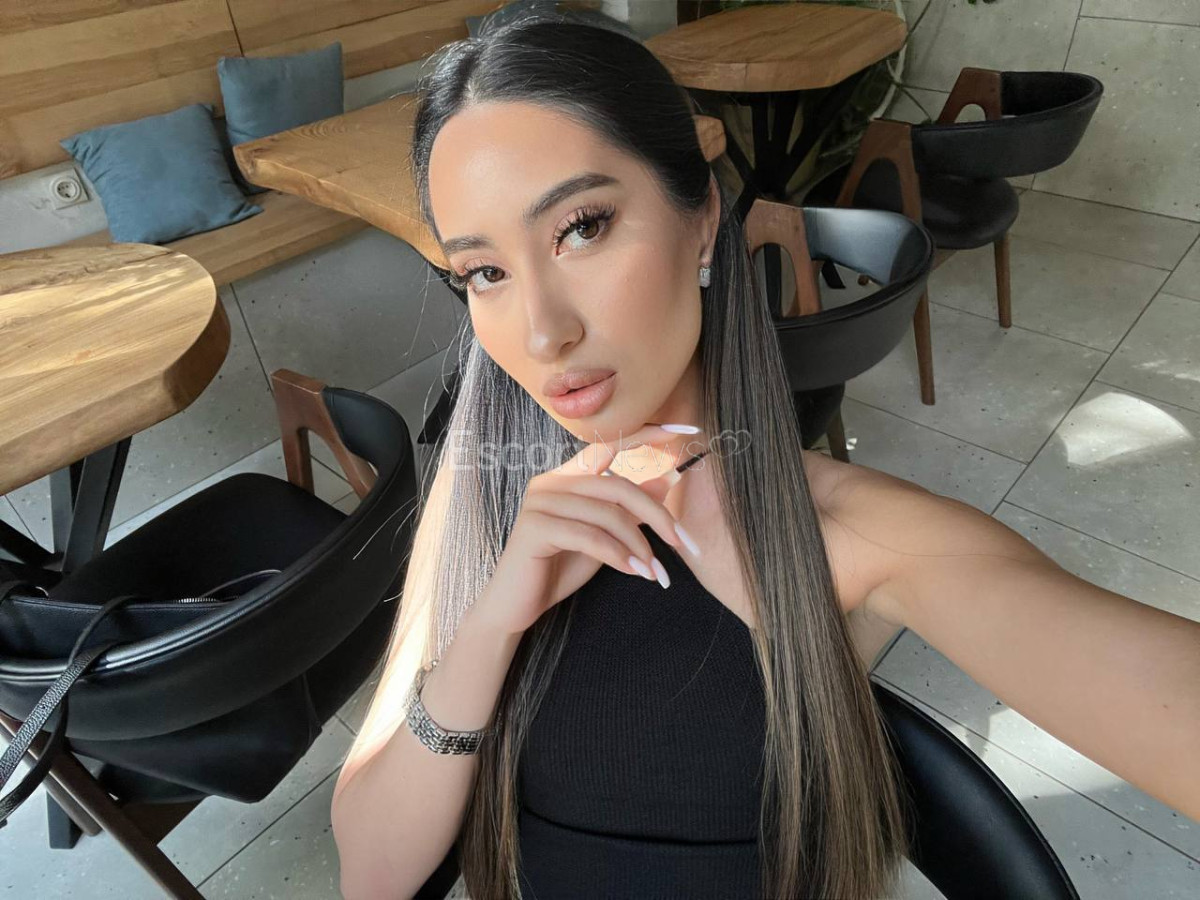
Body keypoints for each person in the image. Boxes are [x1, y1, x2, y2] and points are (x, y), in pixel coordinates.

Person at [330, 16, 1200, 900]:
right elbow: (373, 876)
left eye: (582, 228)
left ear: (702, 223)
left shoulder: (841, 536)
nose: (544, 332)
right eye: (485, 273)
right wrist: (490, 627)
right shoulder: (486, 487)